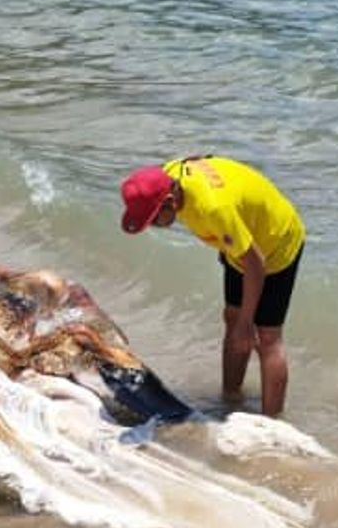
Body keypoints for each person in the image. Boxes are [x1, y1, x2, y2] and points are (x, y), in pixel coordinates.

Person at [120, 155, 304, 418]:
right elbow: (198, 158)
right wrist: (239, 320)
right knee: (232, 317)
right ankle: (230, 401)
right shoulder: (170, 175)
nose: (152, 226)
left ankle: (272, 423)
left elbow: (256, 264)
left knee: (267, 338)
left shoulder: (214, 209)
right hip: (240, 241)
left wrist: (247, 321)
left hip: (276, 243)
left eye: (153, 218)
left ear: (171, 201)